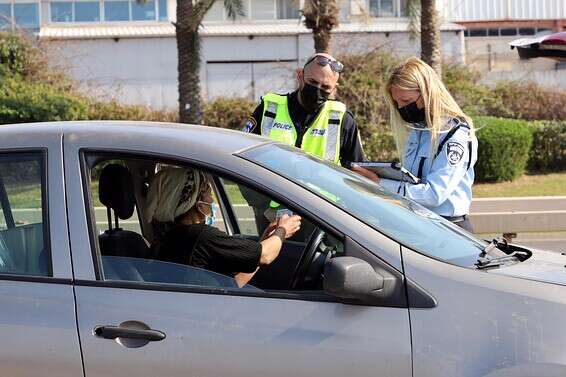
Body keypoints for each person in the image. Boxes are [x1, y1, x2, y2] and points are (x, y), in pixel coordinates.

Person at [352, 57, 478, 232]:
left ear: (427, 93)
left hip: (449, 228)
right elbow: (411, 180)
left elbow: (435, 195)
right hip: (418, 223)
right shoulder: (418, 130)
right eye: (397, 103)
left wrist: (380, 183)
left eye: (405, 100)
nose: (401, 108)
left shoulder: (455, 134)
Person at [145, 166, 302, 287]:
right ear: (192, 199)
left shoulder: (169, 237)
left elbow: (233, 283)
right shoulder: (201, 237)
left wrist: (267, 238)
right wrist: (283, 229)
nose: (211, 199)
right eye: (206, 191)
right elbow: (266, 256)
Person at [242, 52, 364, 167]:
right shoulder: (269, 109)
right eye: (313, 82)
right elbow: (241, 156)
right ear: (300, 76)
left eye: (326, 87)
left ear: (334, 89)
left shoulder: (342, 119)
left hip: (316, 190)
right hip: (269, 188)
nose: (317, 90)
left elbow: (357, 170)